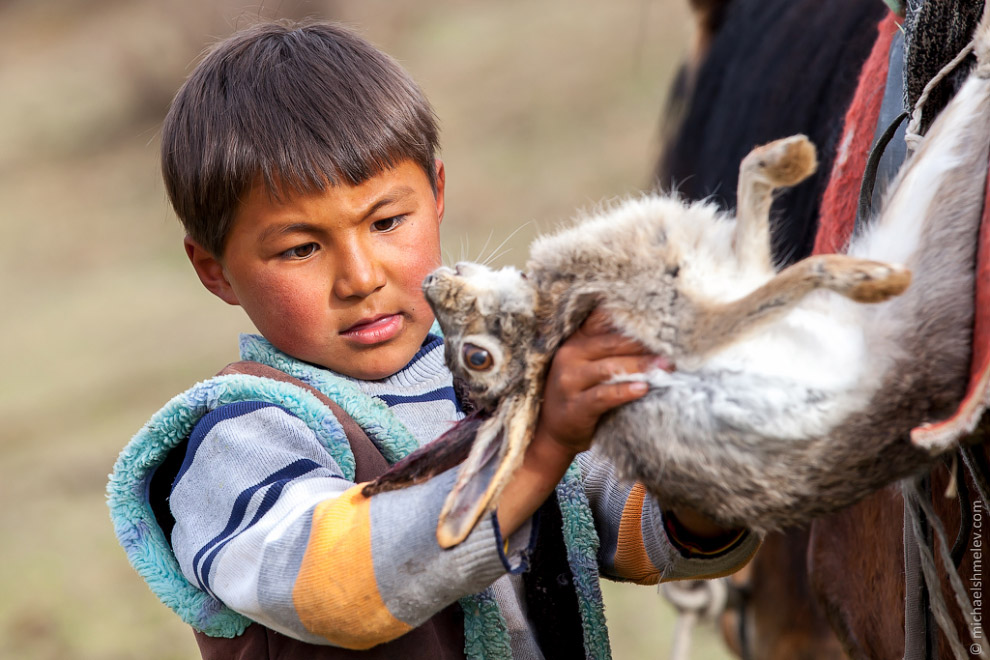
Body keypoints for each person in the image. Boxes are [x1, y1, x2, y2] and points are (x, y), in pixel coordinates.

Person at [107, 19, 759, 660]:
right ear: (214, 268)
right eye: (301, 247)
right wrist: (542, 449)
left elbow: (642, 525)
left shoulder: (502, 376)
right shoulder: (238, 439)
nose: (360, 278)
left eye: (387, 221)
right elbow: (345, 591)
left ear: (438, 192)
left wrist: (692, 442)